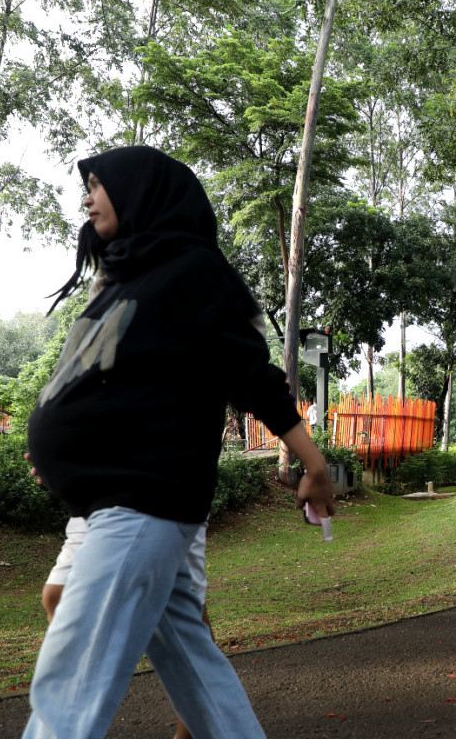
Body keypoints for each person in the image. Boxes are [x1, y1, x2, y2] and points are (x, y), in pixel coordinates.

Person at [23, 145, 336, 739]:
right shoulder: (122, 277)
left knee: (70, 685)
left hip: (144, 500)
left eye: (96, 185)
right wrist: (60, 445)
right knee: (197, 676)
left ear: (139, 191)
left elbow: (252, 376)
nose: (86, 198)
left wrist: (312, 462)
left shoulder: (193, 271)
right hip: (113, 501)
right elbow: (89, 380)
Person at [41, 517, 209, 739]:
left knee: (182, 608)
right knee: (56, 596)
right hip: (94, 502)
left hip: (165, 495)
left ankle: (193, 733)